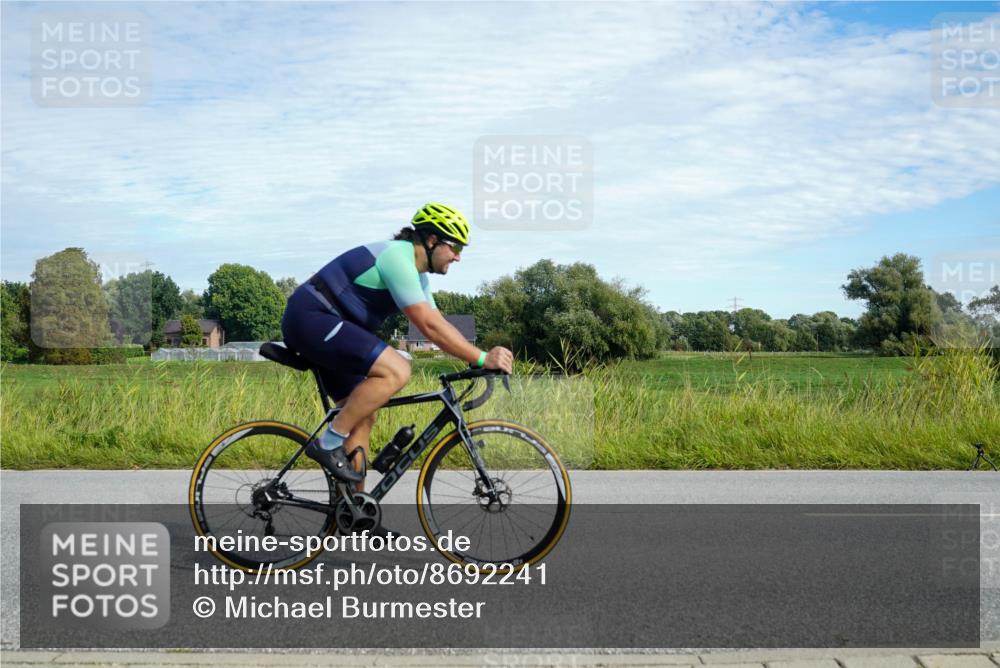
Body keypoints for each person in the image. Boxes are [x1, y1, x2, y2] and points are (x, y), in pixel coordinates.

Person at [281, 202, 514, 486]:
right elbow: (427, 325)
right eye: (456, 247)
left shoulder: (419, 277)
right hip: (311, 318)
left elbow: (437, 324)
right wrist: (481, 357)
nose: (458, 257)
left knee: (363, 417)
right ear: (432, 240)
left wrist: (473, 357)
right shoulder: (397, 258)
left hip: (333, 327)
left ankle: (356, 517)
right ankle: (328, 444)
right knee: (398, 370)